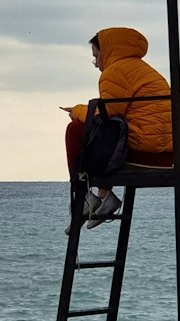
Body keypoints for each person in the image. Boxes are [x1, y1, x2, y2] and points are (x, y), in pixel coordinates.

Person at [61, 27, 173, 229]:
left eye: (96, 56)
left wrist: (77, 110)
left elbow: (105, 116)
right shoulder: (144, 70)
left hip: (143, 153)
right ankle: (104, 196)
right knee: (109, 132)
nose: (96, 64)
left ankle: (82, 195)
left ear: (108, 51)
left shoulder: (115, 72)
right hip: (168, 154)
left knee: (75, 129)